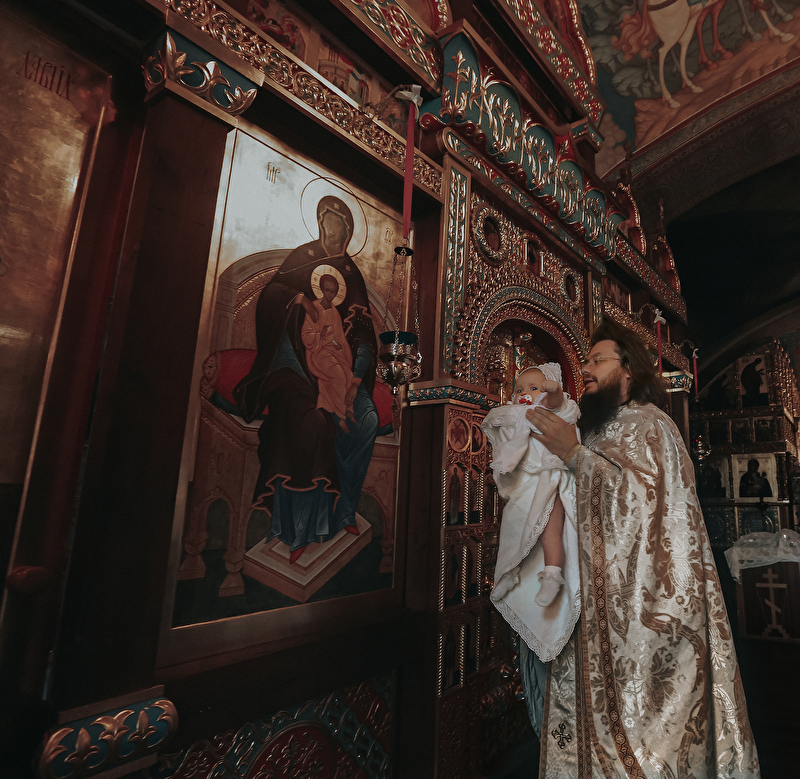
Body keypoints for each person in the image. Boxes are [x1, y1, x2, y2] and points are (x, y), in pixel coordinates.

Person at [524, 320, 759, 778]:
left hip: (644, 609)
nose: (585, 369)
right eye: (585, 361)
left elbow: (641, 506)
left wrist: (574, 456)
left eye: (597, 360)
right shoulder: (601, 429)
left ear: (628, 369)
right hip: (589, 599)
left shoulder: (650, 425)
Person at [234, 195, 379, 565]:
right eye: (327, 221)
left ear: (348, 230)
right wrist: (299, 299)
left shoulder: (351, 274)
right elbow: (272, 295)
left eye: (339, 224)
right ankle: (297, 528)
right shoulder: (302, 258)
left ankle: (344, 510)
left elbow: (363, 332)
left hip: (342, 368)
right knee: (309, 423)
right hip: (293, 362)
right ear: (319, 223)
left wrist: (356, 376)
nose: (332, 230)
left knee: (367, 420)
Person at [481, 363, 581, 664]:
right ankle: (509, 572)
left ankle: (552, 575)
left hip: (549, 481)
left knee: (550, 533)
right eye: (520, 389)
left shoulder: (552, 412)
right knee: (513, 531)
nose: (525, 394)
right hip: (524, 487)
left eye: (533, 388)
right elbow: (497, 426)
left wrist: (551, 392)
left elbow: (560, 405)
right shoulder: (517, 414)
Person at [301, 271, 358, 433]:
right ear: (321, 289)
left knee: (348, 375)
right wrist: (320, 334)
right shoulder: (313, 308)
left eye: (333, 292)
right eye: (327, 290)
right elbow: (305, 335)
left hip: (332, 350)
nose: (330, 295)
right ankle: (341, 417)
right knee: (339, 376)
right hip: (317, 352)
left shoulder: (334, 312)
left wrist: (340, 346)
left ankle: (347, 410)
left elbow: (340, 337)